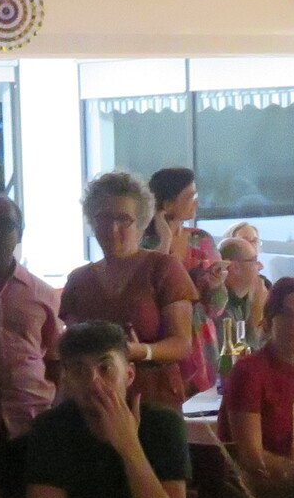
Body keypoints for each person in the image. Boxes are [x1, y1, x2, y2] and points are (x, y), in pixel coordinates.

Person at [24, 321, 189, 498]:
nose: (94, 382)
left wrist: (129, 446)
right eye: (79, 370)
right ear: (66, 379)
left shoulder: (163, 424)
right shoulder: (50, 429)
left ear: (129, 375)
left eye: (105, 368)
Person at [59, 171, 197, 412]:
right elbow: (71, 348)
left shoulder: (164, 269)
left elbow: (182, 344)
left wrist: (142, 351)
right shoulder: (78, 280)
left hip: (153, 402)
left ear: (141, 223)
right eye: (104, 218)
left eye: (124, 219)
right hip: (91, 404)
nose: (113, 228)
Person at [0, 196, 62, 463]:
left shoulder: (43, 293)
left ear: (20, 233)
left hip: (33, 416)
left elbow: (55, 361)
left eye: (5, 224)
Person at [222, 277, 294, 482]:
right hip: (256, 485)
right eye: (286, 314)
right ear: (269, 321)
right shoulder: (248, 371)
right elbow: (252, 458)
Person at [144, 166, 224, 394]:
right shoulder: (144, 244)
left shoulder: (201, 239)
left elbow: (216, 309)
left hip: (201, 340)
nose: (196, 202)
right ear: (168, 203)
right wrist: (165, 241)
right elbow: (147, 289)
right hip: (163, 336)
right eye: (189, 196)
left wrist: (216, 286)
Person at [214, 235, 269, 352]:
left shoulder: (244, 300)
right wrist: (257, 312)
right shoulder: (220, 308)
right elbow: (242, 358)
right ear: (234, 267)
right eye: (254, 260)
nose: (261, 266)